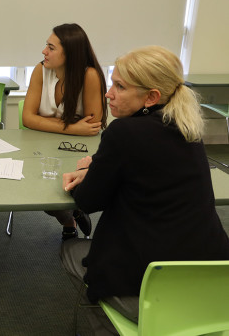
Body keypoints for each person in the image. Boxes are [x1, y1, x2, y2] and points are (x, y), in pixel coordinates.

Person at [60, 46, 229, 335]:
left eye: (119, 86)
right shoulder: (188, 128)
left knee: (71, 251)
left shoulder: (123, 133)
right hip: (214, 287)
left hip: (151, 293)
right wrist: (102, 166)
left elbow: (87, 201)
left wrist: (88, 173)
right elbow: (149, 170)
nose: (108, 93)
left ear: (151, 96)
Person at [22, 23, 108, 240]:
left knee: (59, 191)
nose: (44, 52)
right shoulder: (40, 70)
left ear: (70, 53)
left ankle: (72, 217)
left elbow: (92, 127)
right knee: (45, 196)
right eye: (46, 46)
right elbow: (27, 118)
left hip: (78, 151)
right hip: (40, 148)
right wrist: (72, 126)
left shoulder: (89, 75)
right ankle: (71, 218)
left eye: (51, 47)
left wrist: (46, 121)